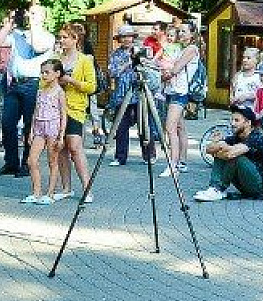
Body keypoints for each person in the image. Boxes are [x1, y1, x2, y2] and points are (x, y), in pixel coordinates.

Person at [0, 5, 54, 177]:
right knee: (7, 123)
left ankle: (27, 163)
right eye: (29, 13)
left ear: (43, 18)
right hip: (15, 83)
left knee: (30, 125)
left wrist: (34, 24)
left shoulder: (47, 37)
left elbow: (37, 47)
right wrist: (10, 23)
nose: (30, 16)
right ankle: (10, 162)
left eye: (34, 14)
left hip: (34, 83)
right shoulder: (18, 35)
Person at [51, 24, 96, 201]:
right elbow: (44, 81)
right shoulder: (56, 59)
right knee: (60, 147)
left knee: (75, 147)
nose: (61, 41)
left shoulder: (84, 60)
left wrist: (72, 81)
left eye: (64, 37)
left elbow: (91, 87)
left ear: (75, 39)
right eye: (60, 37)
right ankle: (66, 187)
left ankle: (87, 188)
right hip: (56, 108)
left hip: (75, 108)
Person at [194, 105, 263, 202]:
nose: (232, 123)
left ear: (248, 123)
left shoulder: (256, 137)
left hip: (261, 187)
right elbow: (208, 150)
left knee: (236, 157)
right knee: (223, 152)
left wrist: (220, 147)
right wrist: (216, 144)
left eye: (237, 120)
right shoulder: (236, 137)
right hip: (245, 184)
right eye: (232, 120)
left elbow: (231, 154)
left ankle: (218, 189)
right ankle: (214, 188)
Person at [106, 25, 156, 167]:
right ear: (120, 39)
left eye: (129, 36)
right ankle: (120, 157)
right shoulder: (116, 54)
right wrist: (128, 62)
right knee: (121, 126)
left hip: (140, 92)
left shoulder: (141, 51)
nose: (127, 39)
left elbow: (150, 68)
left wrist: (142, 59)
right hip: (122, 94)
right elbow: (112, 73)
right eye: (124, 37)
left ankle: (149, 155)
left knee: (144, 124)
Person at [158, 20, 200, 176]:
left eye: (184, 31)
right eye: (179, 31)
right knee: (180, 127)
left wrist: (164, 71)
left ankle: (172, 164)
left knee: (170, 127)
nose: (180, 34)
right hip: (172, 90)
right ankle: (182, 161)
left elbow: (176, 69)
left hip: (180, 92)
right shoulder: (179, 48)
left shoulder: (191, 49)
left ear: (192, 34)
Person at [25, 59, 66, 205]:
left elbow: (63, 114)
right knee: (31, 160)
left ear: (57, 73)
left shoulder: (59, 92)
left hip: (52, 128)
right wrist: (31, 131)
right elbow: (35, 111)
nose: (43, 75)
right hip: (39, 128)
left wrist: (61, 135)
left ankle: (50, 192)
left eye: (47, 72)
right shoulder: (40, 91)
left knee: (52, 161)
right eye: (42, 72)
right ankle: (36, 192)